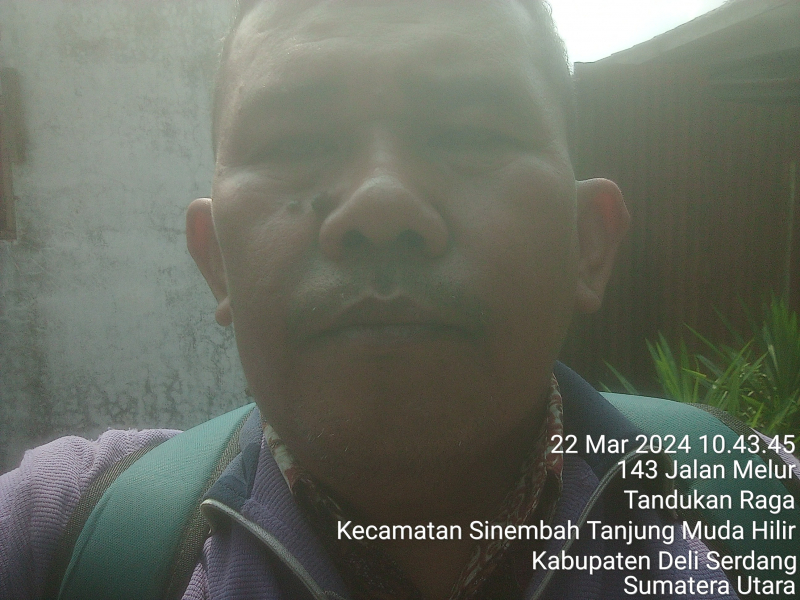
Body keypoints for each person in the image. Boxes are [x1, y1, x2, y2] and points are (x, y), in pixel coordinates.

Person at [0, 1, 751, 599]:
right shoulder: (64, 533)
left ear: (587, 243)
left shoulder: (753, 508)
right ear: (217, 259)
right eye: (294, 142)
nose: (381, 202)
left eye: (470, 132)